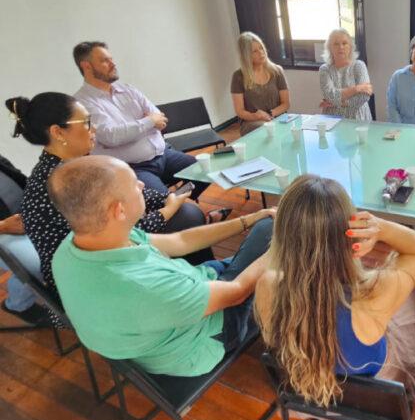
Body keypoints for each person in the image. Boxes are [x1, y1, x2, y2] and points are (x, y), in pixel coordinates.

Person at [49, 155, 275, 376]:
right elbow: (237, 292)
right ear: (119, 210)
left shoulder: (77, 243)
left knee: (261, 235)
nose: (142, 183)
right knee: (270, 233)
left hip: (177, 305)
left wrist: (248, 219)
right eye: (134, 185)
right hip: (207, 339)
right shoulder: (143, 286)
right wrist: (280, 247)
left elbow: (180, 242)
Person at [7, 93, 212, 327]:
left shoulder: (73, 166)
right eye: (85, 123)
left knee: (183, 212)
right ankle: (199, 298)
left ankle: (198, 290)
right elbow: (113, 238)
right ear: (58, 132)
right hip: (88, 279)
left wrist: (168, 198)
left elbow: (130, 197)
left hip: (101, 256)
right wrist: (166, 211)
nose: (93, 129)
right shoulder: (63, 182)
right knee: (186, 216)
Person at [254, 175, 415, 414]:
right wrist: (380, 227)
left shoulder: (267, 285)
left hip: (308, 388)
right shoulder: (373, 293)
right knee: (409, 293)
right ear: (349, 233)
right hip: (371, 394)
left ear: (283, 236)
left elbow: (277, 340)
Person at [72, 41, 208, 200]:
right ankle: (176, 209)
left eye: (111, 58)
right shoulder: (83, 102)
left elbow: (160, 118)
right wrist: (149, 122)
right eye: (105, 60)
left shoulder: (128, 90)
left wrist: (133, 129)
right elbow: (112, 136)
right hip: (134, 168)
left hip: (163, 154)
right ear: (86, 66)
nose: (113, 63)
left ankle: (181, 205)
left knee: (205, 171)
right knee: (164, 204)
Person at [0, 154, 48, 324]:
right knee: (40, 264)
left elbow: (20, 179)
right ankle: (18, 305)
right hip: (4, 230)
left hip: (24, 215)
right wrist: (4, 226)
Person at [231, 32, 291, 135]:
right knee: (266, 128)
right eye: (255, 51)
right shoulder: (238, 76)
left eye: (261, 48)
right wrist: (255, 116)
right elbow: (239, 111)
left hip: (276, 117)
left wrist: (271, 114)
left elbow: (286, 104)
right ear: (246, 55)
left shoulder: (277, 71)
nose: (261, 53)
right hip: (251, 122)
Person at [318, 28, 373, 121]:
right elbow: (329, 95)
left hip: (358, 119)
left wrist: (339, 103)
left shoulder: (359, 65)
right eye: (336, 44)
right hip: (332, 119)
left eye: (344, 43)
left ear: (350, 46)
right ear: (330, 48)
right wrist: (356, 89)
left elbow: (364, 95)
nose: (341, 47)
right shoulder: (324, 69)